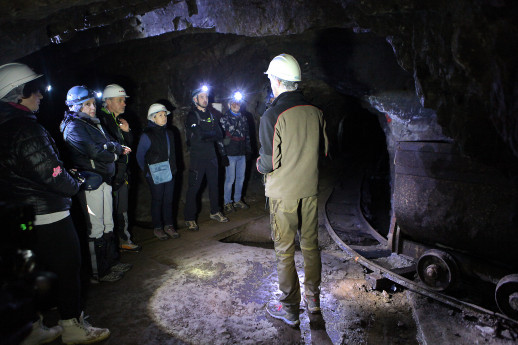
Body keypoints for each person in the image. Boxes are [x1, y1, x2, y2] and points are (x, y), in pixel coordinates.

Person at [0, 63, 110, 344]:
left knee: (31, 274)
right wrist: (76, 183)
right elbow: (52, 174)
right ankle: (72, 327)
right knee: (68, 268)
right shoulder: (26, 129)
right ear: (19, 93)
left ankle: (32, 329)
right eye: (34, 90)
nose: (40, 96)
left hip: (19, 215)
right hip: (48, 214)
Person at [257, 54, 328, 327]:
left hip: (283, 194)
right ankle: (313, 300)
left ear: (276, 81)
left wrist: (257, 164)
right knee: (310, 246)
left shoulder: (272, 114)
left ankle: (289, 309)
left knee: (285, 251)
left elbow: (268, 162)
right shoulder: (316, 111)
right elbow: (324, 150)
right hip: (309, 190)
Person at [60, 85, 132, 283]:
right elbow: (96, 151)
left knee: (108, 223)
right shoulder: (74, 127)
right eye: (87, 104)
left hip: (103, 179)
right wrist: (113, 151)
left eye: (93, 103)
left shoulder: (93, 123)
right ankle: (98, 272)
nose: (93, 108)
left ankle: (111, 262)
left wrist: (111, 148)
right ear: (75, 106)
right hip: (90, 182)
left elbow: (110, 142)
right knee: (96, 228)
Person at [98, 84, 141, 252]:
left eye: (124, 100)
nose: (124, 104)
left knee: (122, 209)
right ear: (108, 101)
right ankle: (112, 246)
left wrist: (128, 131)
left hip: (121, 173)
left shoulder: (117, 121)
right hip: (111, 174)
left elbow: (128, 145)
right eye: (120, 100)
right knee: (110, 213)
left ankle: (123, 241)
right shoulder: (102, 121)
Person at [184, 85, 229, 231]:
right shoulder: (192, 116)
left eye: (206, 97)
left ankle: (215, 211)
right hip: (198, 158)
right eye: (202, 97)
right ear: (195, 99)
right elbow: (199, 135)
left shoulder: (211, 115)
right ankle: (190, 218)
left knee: (215, 185)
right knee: (194, 188)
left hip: (212, 157)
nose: (205, 99)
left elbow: (220, 134)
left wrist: (208, 135)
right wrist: (210, 135)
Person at [136, 103, 179, 240]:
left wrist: (173, 169)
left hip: (169, 172)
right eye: (160, 115)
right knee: (157, 200)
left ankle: (169, 226)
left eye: (164, 115)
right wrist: (148, 171)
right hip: (154, 174)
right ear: (153, 118)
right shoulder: (146, 135)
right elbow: (139, 156)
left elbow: (172, 154)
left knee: (169, 200)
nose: (164, 117)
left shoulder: (169, 133)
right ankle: (158, 228)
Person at [219, 91, 252, 213]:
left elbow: (247, 135)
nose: (236, 105)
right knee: (230, 179)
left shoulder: (243, 118)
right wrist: (223, 154)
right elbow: (220, 138)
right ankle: (227, 202)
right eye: (233, 103)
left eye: (238, 103)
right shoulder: (224, 119)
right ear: (229, 104)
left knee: (240, 178)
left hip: (241, 153)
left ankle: (237, 200)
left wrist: (248, 150)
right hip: (230, 154)